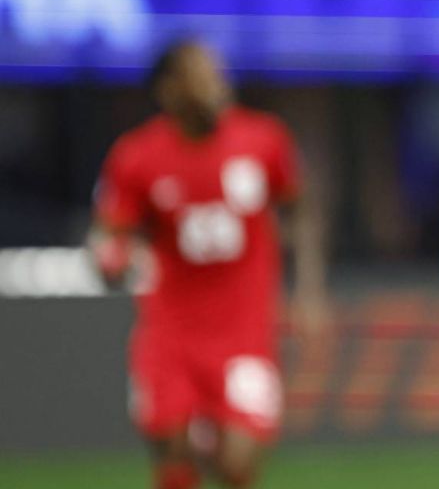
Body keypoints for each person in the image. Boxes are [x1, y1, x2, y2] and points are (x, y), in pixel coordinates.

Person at [89, 40, 328, 489]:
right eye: (200, 72)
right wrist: (106, 256)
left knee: (237, 460)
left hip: (244, 332)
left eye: (216, 69)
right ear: (170, 90)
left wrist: (309, 289)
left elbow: (301, 210)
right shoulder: (137, 156)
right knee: (172, 450)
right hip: (170, 331)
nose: (216, 80)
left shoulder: (263, 140)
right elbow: (107, 230)